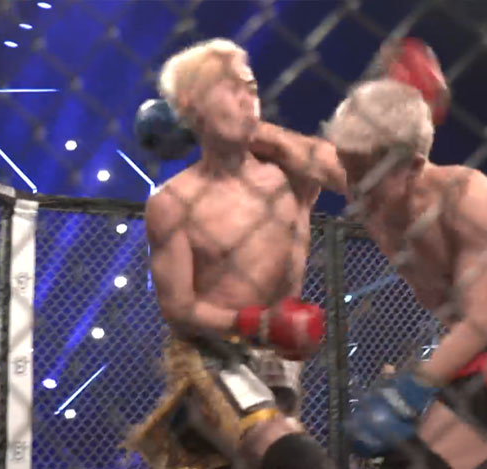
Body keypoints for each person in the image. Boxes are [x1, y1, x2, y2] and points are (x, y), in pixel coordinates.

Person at [259, 77, 487, 468]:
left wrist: (408, 390)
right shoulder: (364, 170)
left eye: (368, 177)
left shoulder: (472, 200)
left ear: (412, 166)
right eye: (349, 171)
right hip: (482, 353)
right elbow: (287, 146)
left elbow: (484, 321)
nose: (355, 190)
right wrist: (212, 115)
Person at [123, 38, 334, 469]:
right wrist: (256, 321)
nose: (246, 99)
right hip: (213, 354)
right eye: (229, 88)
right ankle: (194, 418)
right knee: (297, 457)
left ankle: (193, 440)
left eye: (251, 88)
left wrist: (266, 134)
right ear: (191, 104)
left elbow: (353, 175)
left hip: (280, 359)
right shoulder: (173, 202)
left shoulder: (291, 174)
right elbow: (178, 308)